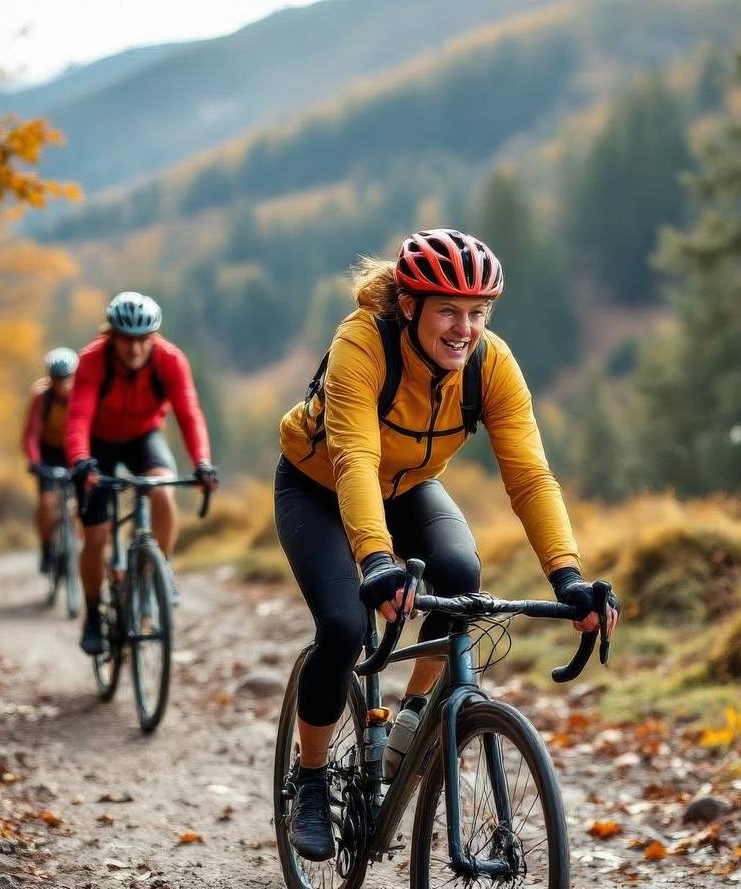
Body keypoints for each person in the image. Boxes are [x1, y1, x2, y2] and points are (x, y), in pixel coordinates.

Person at [273, 228, 620, 861]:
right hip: (319, 486)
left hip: (408, 486)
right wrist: (376, 562)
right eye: (448, 312)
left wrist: (567, 577)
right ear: (410, 306)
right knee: (343, 624)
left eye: (477, 313)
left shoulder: (491, 364)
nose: (465, 329)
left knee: (460, 578)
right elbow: (354, 458)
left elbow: (530, 476)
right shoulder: (362, 343)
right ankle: (314, 779)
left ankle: (411, 721)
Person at [67, 291, 218, 655]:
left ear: (154, 337)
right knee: (97, 535)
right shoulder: (92, 361)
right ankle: (92, 615)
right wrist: (80, 460)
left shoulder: (170, 360)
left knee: (163, 492)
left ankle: (155, 573)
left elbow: (188, 413)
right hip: (99, 444)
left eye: (142, 340)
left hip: (143, 436)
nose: (134, 349)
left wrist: (201, 462)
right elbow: (78, 418)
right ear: (111, 336)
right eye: (126, 340)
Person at [22, 347, 79, 575]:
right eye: (57, 379)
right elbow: (31, 434)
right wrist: (35, 461)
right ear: (50, 378)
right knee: (47, 503)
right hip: (49, 453)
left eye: (66, 378)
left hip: (76, 452)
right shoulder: (41, 396)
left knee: (83, 507)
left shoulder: (83, 394)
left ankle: (77, 549)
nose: (62, 384)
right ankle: (47, 548)